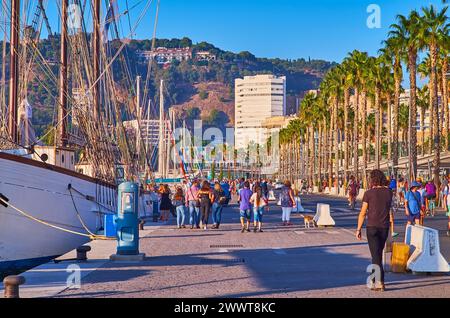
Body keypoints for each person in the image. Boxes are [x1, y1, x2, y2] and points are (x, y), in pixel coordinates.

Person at [356, 170, 394, 292]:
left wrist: (358, 229)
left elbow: (362, 213)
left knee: (376, 255)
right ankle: (373, 280)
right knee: (376, 254)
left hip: (372, 227)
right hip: (384, 227)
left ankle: (380, 282)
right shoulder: (389, 192)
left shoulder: (368, 193)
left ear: (372, 179)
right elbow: (389, 209)